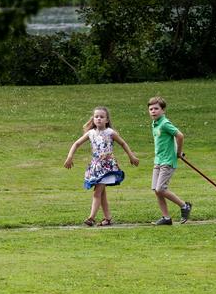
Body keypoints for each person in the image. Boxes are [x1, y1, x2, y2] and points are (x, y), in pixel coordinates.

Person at [64, 106, 139, 226]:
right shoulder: (90, 133)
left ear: (107, 120)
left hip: (107, 167)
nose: (98, 119)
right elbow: (76, 143)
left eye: (101, 117)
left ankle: (91, 218)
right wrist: (69, 157)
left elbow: (123, 143)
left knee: (97, 192)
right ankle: (107, 218)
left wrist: (132, 156)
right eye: (96, 116)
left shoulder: (110, 133)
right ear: (93, 119)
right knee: (101, 193)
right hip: (96, 166)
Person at [147, 96, 192, 225]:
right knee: (157, 190)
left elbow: (179, 135)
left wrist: (178, 152)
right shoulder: (155, 124)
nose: (153, 111)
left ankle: (184, 206)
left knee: (160, 188)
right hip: (158, 160)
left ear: (163, 110)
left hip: (168, 161)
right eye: (151, 109)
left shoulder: (165, 123)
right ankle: (166, 218)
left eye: (156, 108)